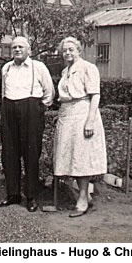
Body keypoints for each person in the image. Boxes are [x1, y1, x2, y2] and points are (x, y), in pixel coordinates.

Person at [0, 36, 54, 212]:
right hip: (9, 109)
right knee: (9, 153)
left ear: (28, 50)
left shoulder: (39, 67)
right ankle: (13, 194)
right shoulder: (6, 68)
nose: (17, 50)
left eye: (21, 47)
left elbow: (49, 92)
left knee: (31, 153)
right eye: (14, 47)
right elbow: (3, 92)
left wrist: (38, 108)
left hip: (31, 109)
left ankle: (31, 196)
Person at [53, 36, 107, 217]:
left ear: (78, 51)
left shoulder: (88, 68)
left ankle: (83, 198)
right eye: (65, 50)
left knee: (82, 157)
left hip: (83, 113)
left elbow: (95, 95)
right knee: (72, 157)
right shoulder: (64, 71)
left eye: (71, 50)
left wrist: (90, 121)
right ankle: (84, 195)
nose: (67, 53)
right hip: (67, 115)